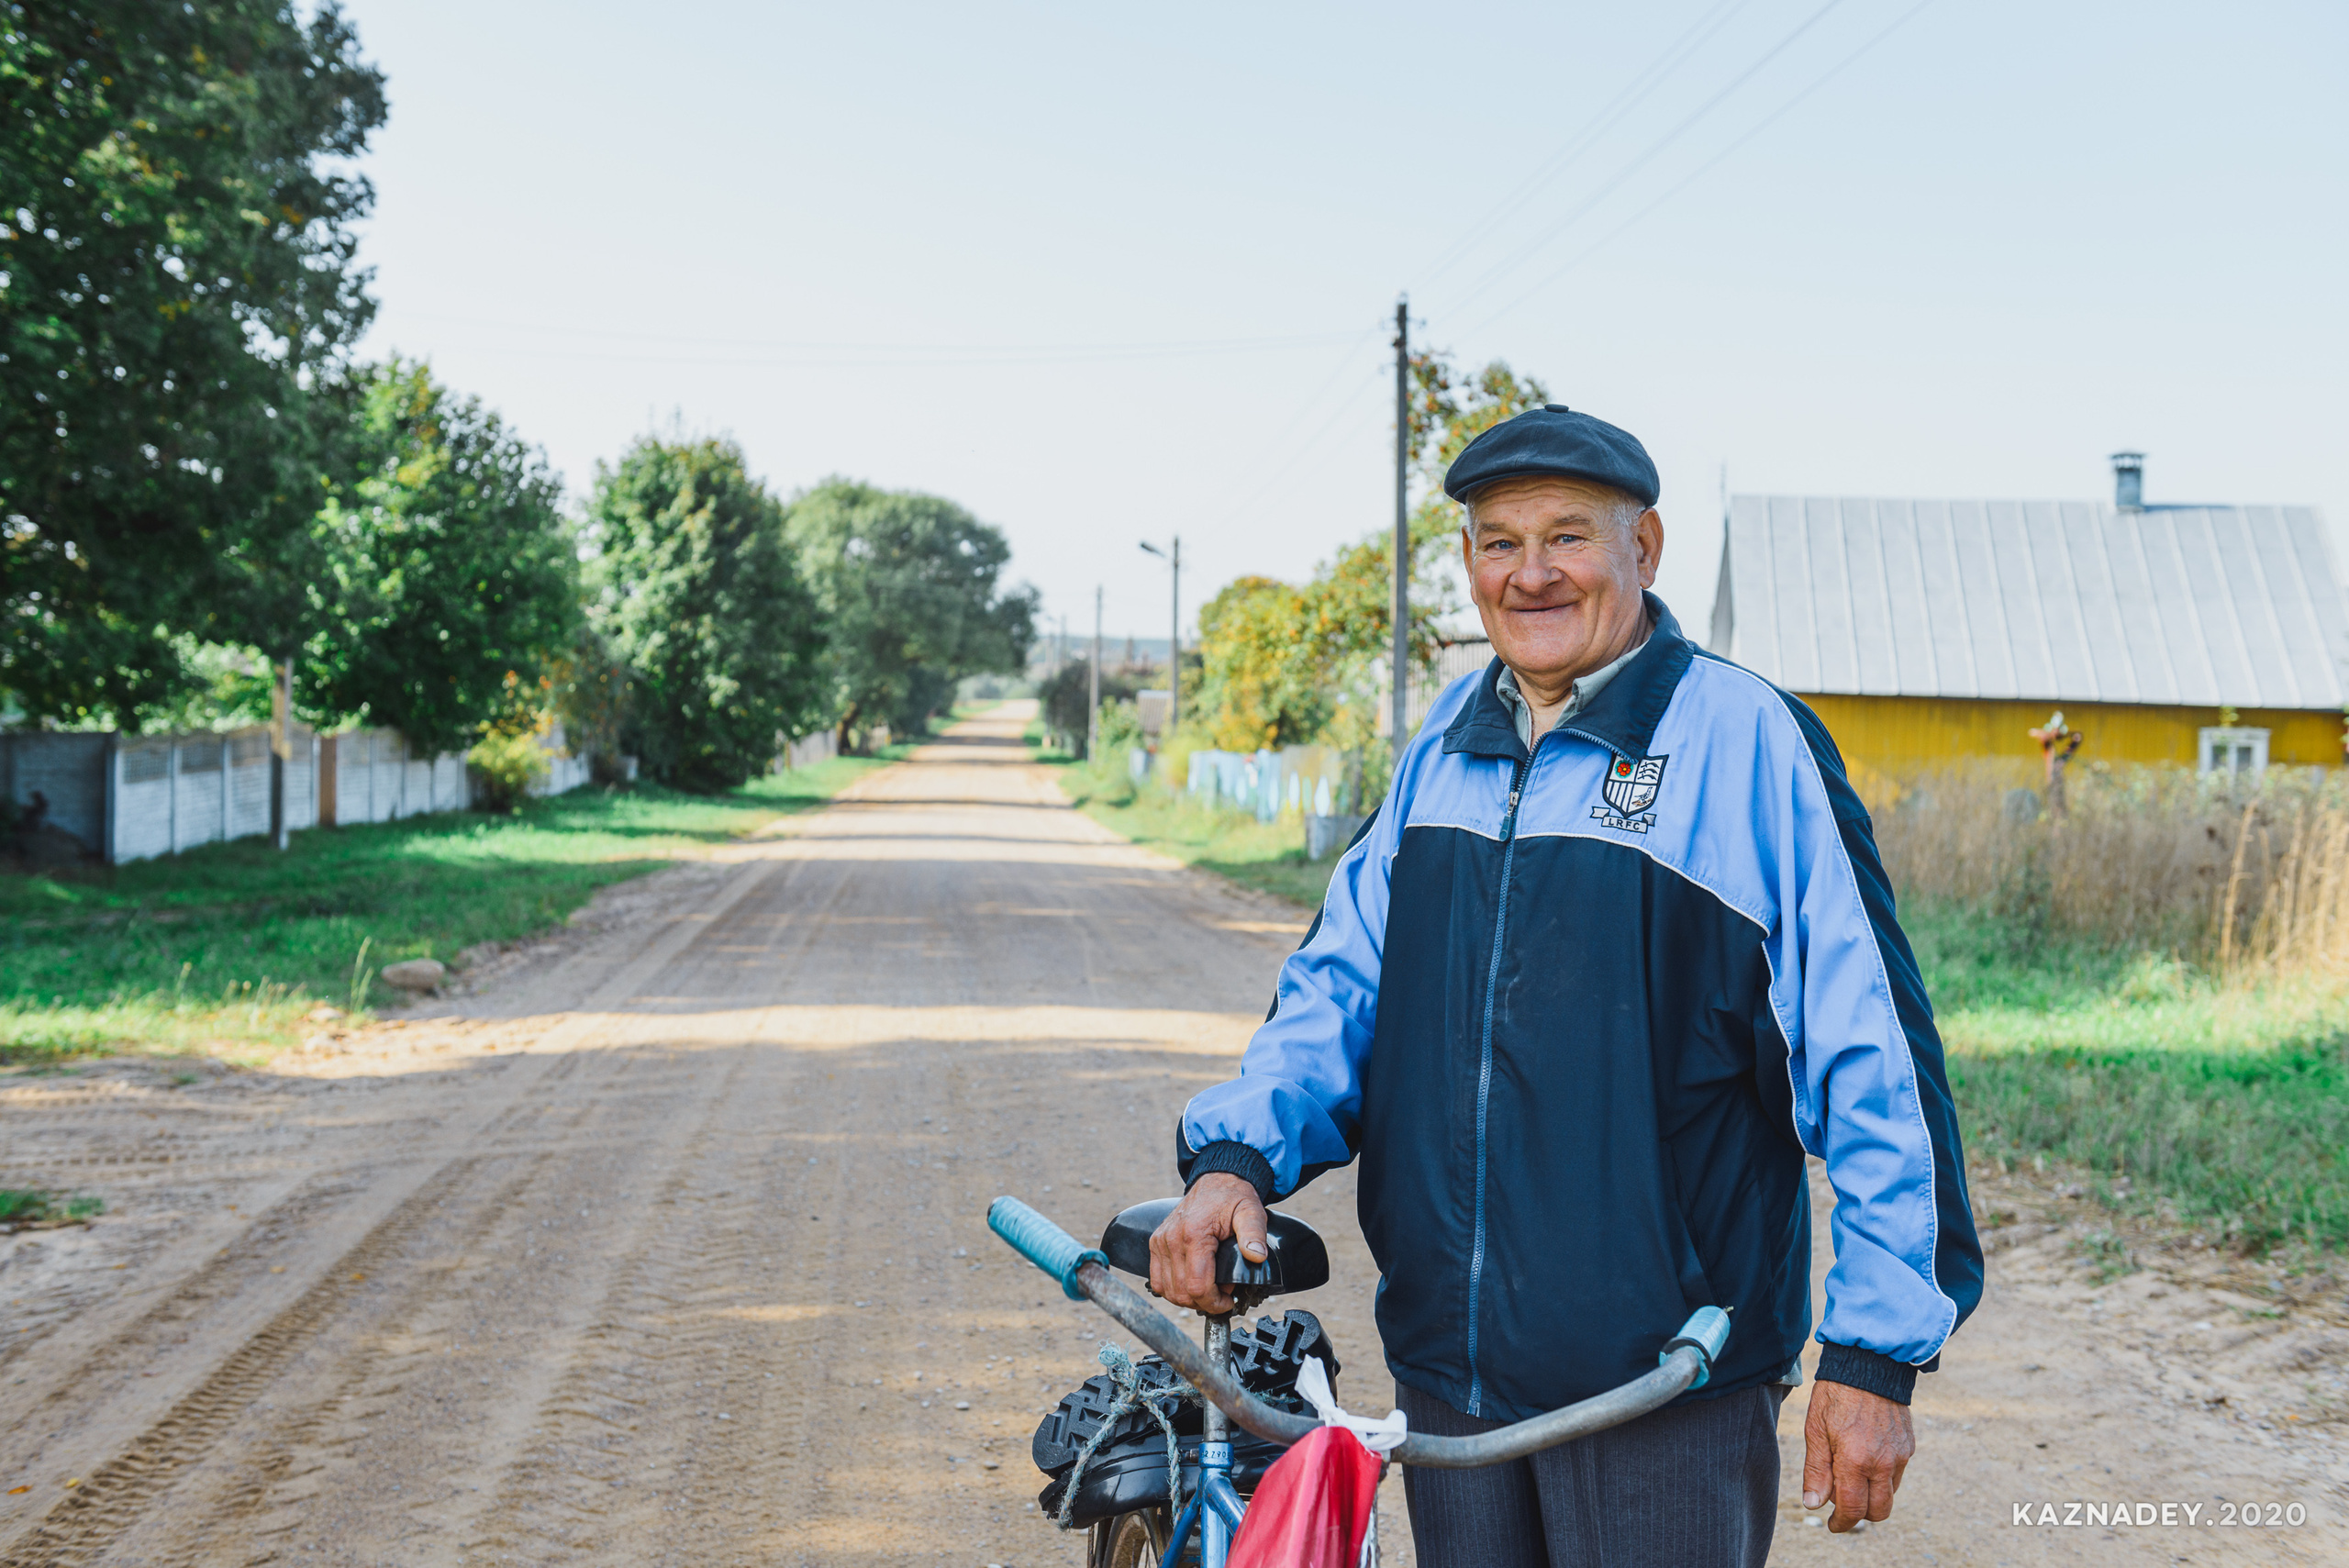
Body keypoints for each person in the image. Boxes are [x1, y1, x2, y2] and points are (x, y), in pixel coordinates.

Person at [1149, 406, 1981, 1567]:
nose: (1530, 574)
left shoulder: (1747, 742)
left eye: (1568, 537)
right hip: (1449, 1375)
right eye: (1498, 542)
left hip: (1659, 1386)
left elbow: (1873, 1061)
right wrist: (1236, 1156)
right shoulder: (1444, 742)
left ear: (1644, 547)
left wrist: (1873, 1355)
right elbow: (1341, 988)